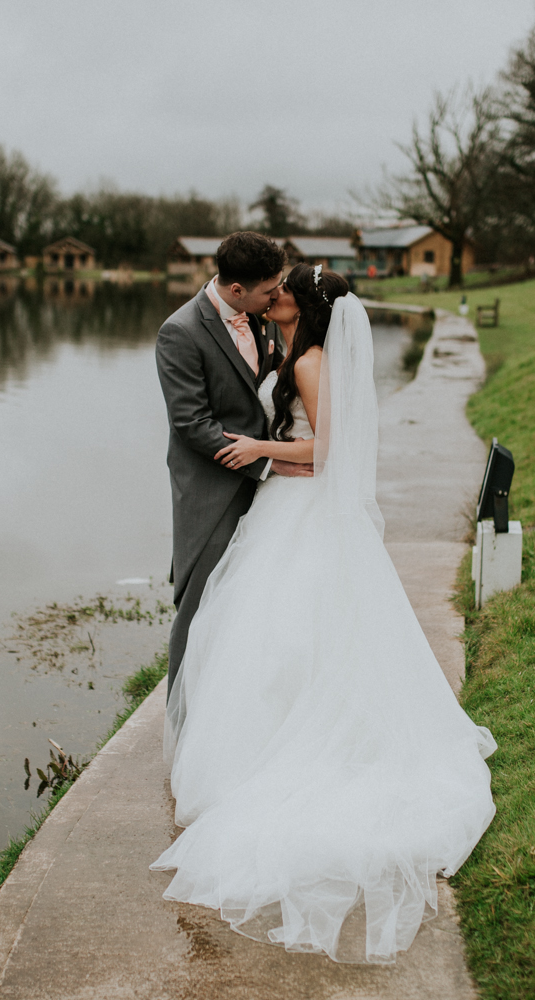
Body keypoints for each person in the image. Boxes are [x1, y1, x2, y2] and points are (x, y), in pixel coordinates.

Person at [152, 266, 497, 965]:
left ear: (301, 307)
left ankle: (280, 748)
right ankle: (265, 737)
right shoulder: (289, 351)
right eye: (269, 289)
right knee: (275, 635)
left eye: (281, 293)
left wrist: (260, 450)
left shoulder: (307, 360)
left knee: (288, 629)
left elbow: (329, 450)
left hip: (300, 509)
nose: (271, 298)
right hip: (288, 506)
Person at [154, 232, 312, 691]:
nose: (276, 297)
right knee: (201, 601)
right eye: (269, 290)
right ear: (237, 290)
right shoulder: (179, 332)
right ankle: (181, 721)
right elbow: (191, 423)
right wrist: (266, 462)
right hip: (213, 488)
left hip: (269, 485)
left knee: (248, 602)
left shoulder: (259, 318)